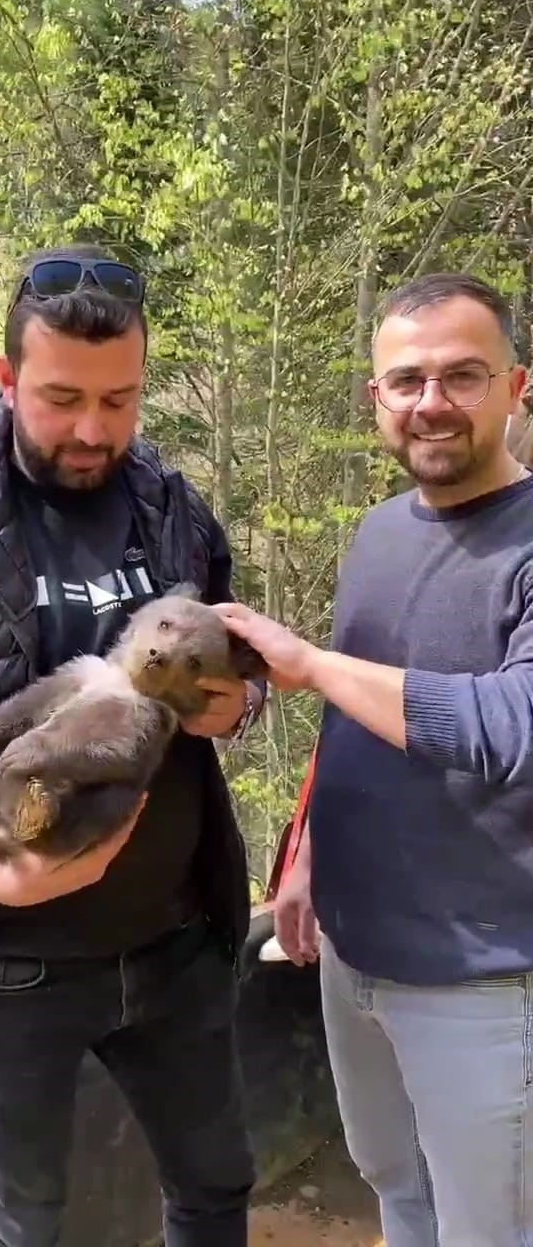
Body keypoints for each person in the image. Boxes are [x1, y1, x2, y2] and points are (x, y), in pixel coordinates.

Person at [0, 245, 266, 1247]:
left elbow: (239, 671)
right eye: (62, 397)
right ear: (5, 376)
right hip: (6, 964)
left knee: (216, 1188)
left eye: (120, 401)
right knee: (19, 1221)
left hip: (177, 940)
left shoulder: (176, 511)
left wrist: (233, 710)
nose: (92, 428)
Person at [212, 272, 533, 1247]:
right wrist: (308, 853)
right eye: (407, 379)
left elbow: (510, 727)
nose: (431, 401)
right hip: (353, 955)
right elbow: (358, 720)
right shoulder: (381, 532)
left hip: (483, 977)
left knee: (491, 1226)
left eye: (462, 375)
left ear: (517, 387)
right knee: (397, 1186)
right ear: (376, 399)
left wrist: (307, 662)